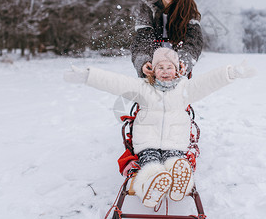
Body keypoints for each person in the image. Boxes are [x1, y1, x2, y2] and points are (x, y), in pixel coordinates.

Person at [64, 48, 256, 208]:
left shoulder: (185, 89)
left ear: (178, 70)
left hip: (175, 142)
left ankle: (178, 182)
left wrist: (231, 73)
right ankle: (150, 187)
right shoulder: (142, 88)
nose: (165, 71)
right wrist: (88, 76)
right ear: (152, 70)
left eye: (169, 67)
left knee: (176, 163)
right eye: (160, 67)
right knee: (151, 165)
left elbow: (208, 82)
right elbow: (116, 82)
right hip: (147, 142)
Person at [130, 0, 203, 78]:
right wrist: (144, 62)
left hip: (178, 72)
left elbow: (193, 43)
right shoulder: (147, 8)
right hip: (153, 69)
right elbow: (142, 40)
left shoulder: (189, 11)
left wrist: (183, 62)